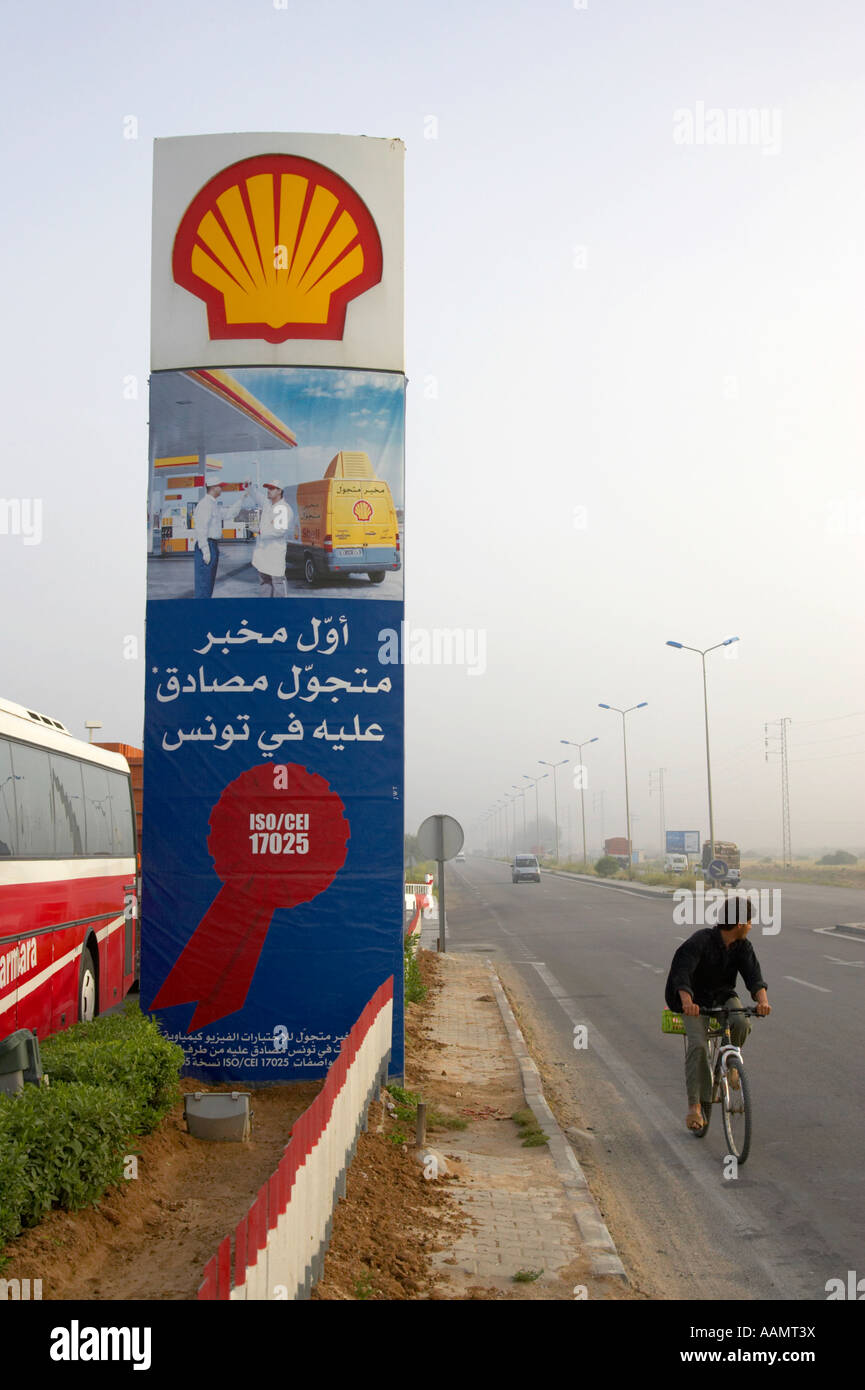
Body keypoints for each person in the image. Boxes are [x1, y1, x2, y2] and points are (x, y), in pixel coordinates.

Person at [664, 895, 771, 1133]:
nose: (751, 926)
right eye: (750, 921)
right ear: (740, 923)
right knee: (699, 1046)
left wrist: (762, 1001)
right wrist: (687, 1001)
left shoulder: (743, 946)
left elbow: (754, 977)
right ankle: (695, 1107)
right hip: (692, 1000)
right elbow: (681, 973)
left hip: (722, 995)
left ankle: (731, 1064)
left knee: (741, 1022)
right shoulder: (700, 941)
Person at [192, 480, 250, 598]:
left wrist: (242, 498)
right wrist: (205, 550)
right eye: (220, 486)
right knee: (204, 585)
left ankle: (204, 611)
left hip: (212, 545)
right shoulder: (205, 504)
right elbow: (201, 528)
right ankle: (200, 612)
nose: (222, 488)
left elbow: (229, 513)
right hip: (207, 545)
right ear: (213, 487)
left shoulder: (213, 504)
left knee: (208, 584)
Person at [246, 478, 293, 597]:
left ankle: (281, 612)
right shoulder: (268, 504)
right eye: (267, 488)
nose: (268, 491)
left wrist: (260, 531)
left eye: (271, 488)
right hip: (263, 553)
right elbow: (257, 496)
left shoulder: (283, 508)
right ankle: (266, 610)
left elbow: (279, 531)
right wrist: (249, 486)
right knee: (264, 582)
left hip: (275, 553)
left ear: (279, 491)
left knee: (277, 583)